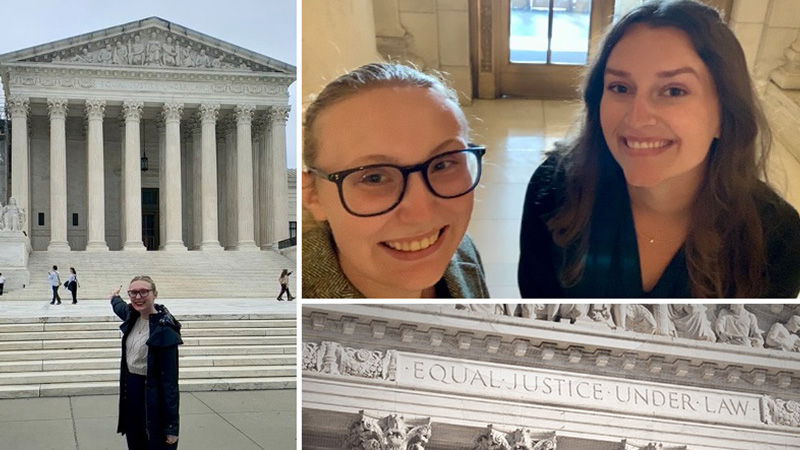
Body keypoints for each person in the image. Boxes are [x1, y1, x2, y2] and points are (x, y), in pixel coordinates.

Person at [518, 0, 800, 298]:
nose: (637, 118)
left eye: (673, 90)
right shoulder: (553, 191)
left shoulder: (777, 239)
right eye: (620, 88)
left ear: (725, 114)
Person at [302, 63, 490, 298]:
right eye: (374, 178)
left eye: (442, 164)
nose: (421, 214)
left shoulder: (461, 249)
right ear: (312, 196)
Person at [111, 276, 181, 449]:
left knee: (154, 443)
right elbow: (120, 308)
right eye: (133, 292)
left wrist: (172, 426)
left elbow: (170, 383)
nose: (138, 297)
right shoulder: (132, 316)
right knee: (135, 441)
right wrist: (114, 298)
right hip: (131, 391)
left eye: (144, 292)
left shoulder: (164, 329)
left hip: (152, 394)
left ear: (155, 294)